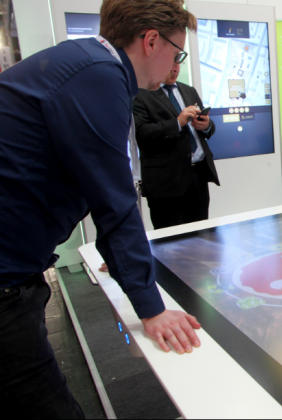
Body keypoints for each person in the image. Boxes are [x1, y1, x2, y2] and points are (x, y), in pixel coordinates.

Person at [0, 0, 202, 417]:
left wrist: (120, 257)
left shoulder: (83, 61)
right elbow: (114, 198)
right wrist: (151, 308)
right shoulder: (99, 74)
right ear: (151, 41)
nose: (174, 65)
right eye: (177, 53)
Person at [133, 62, 220, 229]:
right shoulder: (141, 92)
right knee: (171, 240)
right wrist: (177, 122)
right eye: (171, 63)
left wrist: (206, 125)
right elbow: (141, 133)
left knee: (201, 235)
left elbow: (208, 127)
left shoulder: (188, 90)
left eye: (178, 64)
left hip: (198, 177)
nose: (175, 69)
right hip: (166, 182)